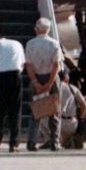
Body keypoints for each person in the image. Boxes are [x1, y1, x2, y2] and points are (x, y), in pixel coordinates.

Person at [25, 18, 63, 151]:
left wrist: (35, 82)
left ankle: (31, 142)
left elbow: (28, 65)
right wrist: (50, 83)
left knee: (36, 111)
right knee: (55, 112)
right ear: (48, 30)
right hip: (50, 77)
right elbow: (56, 65)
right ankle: (55, 142)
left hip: (36, 77)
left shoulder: (30, 44)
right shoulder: (54, 43)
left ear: (36, 29)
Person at [0, 32, 26, 152]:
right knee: (15, 111)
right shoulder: (17, 44)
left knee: (0, 112)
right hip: (15, 77)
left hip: (0, 78)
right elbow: (22, 63)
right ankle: (14, 144)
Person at [38, 69, 86, 149]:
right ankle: (66, 141)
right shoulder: (72, 88)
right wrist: (81, 118)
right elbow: (84, 105)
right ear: (66, 78)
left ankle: (50, 140)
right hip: (72, 124)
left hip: (58, 123)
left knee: (41, 120)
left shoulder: (51, 87)